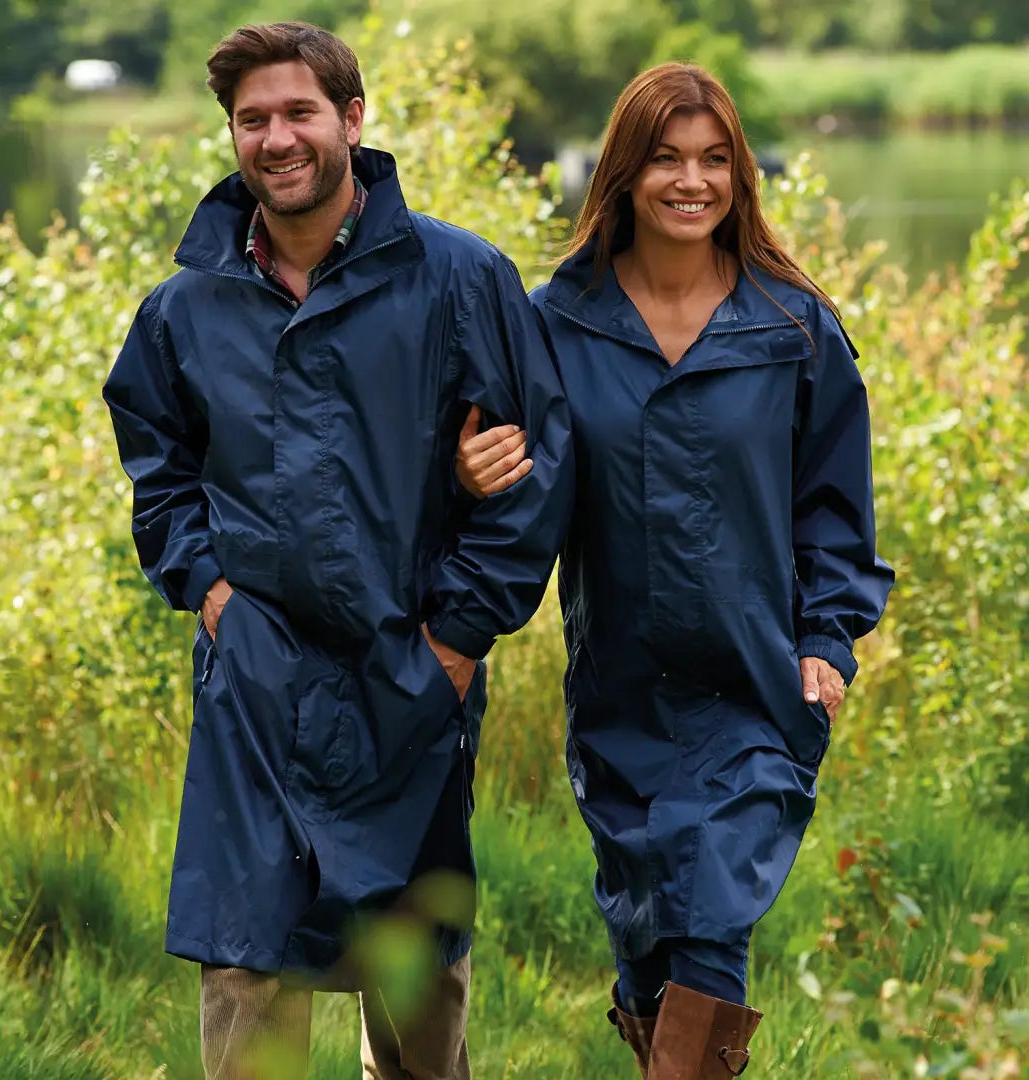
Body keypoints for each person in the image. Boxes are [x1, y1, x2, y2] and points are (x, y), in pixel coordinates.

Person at [103, 21, 572, 1080]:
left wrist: (455, 643)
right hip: (256, 688)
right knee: (246, 962)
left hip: (409, 672)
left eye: (299, 112)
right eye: (252, 119)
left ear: (352, 122)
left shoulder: (461, 280)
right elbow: (158, 469)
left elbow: (533, 471)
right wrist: (212, 592)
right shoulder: (185, 310)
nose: (277, 138)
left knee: (411, 976)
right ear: (232, 133)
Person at [456, 63, 894, 1078]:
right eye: (666, 159)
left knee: (710, 924)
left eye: (713, 161)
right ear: (623, 174)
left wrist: (827, 639)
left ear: (740, 176)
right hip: (621, 691)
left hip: (757, 681)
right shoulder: (555, 325)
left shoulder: (792, 330)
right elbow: (515, 492)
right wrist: (470, 472)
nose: (691, 181)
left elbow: (833, 506)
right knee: (652, 937)